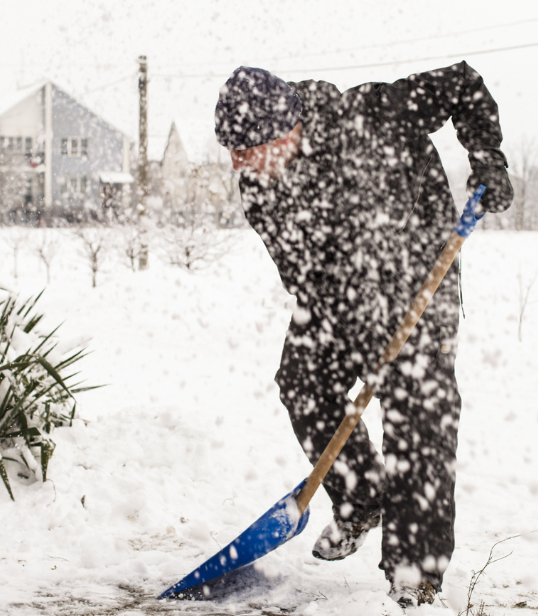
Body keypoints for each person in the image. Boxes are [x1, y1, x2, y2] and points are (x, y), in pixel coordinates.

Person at [213, 62, 513, 609]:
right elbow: (300, 275)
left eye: (247, 148)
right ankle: (360, 496)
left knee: (418, 412)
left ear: (286, 130)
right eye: (231, 150)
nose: (238, 163)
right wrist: (355, 326)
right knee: (303, 379)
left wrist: (487, 157)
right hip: (340, 296)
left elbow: (464, 84)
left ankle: (414, 576)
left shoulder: (370, 113)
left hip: (421, 278)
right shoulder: (259, 188)